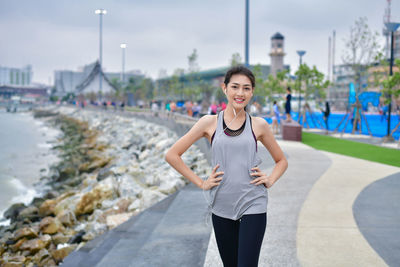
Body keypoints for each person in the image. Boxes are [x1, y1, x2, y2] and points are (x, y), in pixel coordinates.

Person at [165, 66, 288, 267]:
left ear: (252, 92)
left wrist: (270, 179)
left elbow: (281, 161)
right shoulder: (209, 122)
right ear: (225, 89)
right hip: (221, 206)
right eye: (235, 87)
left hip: (253, 203)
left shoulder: (259, 125)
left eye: (246, 88)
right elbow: (172, 155)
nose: (240, 93)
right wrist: (202, 183)